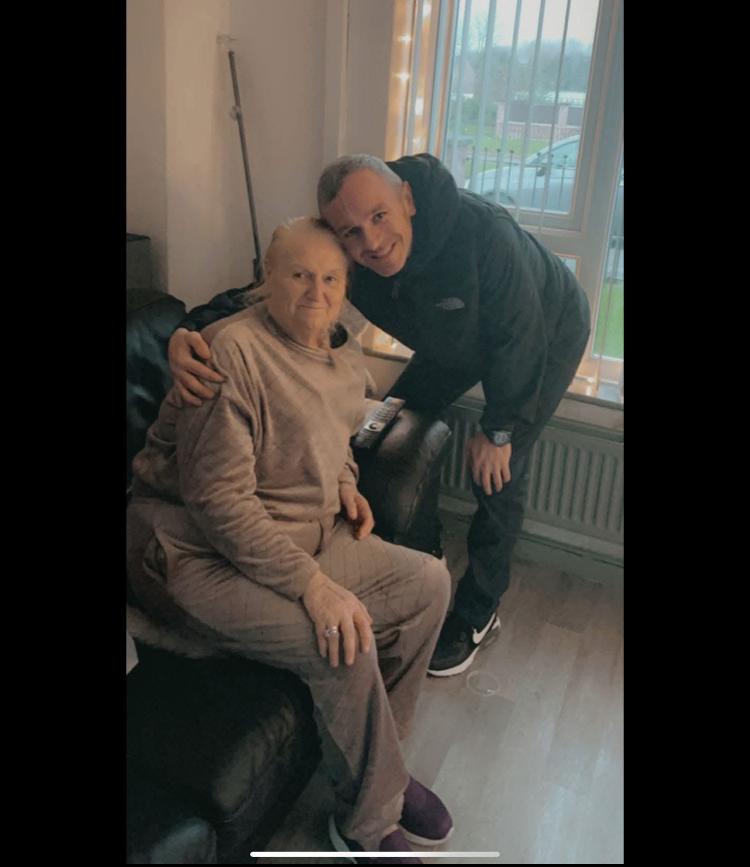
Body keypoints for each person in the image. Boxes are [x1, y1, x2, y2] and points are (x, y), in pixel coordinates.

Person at [168, 153, 591, 679]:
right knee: (386, 428)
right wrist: (188, 331)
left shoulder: (485, 235)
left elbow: (520, 335)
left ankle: (479, 610)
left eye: (379, 216)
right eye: (351, 232)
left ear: (406, 198)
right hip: (452, 341)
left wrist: (501, 430)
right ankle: (422, 549)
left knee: (498, 472)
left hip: (544, 333)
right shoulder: (351, 254)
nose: (370, 241)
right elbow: (262, 297)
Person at [128, 216, 453, 864]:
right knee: (343, 638)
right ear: (266, 278)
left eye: (331, 278)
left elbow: (337, 434)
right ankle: (366, 824)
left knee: (429, 586)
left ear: (346, 287)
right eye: (299, 275)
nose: (316, 292)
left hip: (297, 536)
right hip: (193, 554)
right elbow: (218, 504)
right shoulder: (229, 355)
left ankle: (382, 771)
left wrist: (347, 484)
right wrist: (315, 588)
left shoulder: (343, 354)